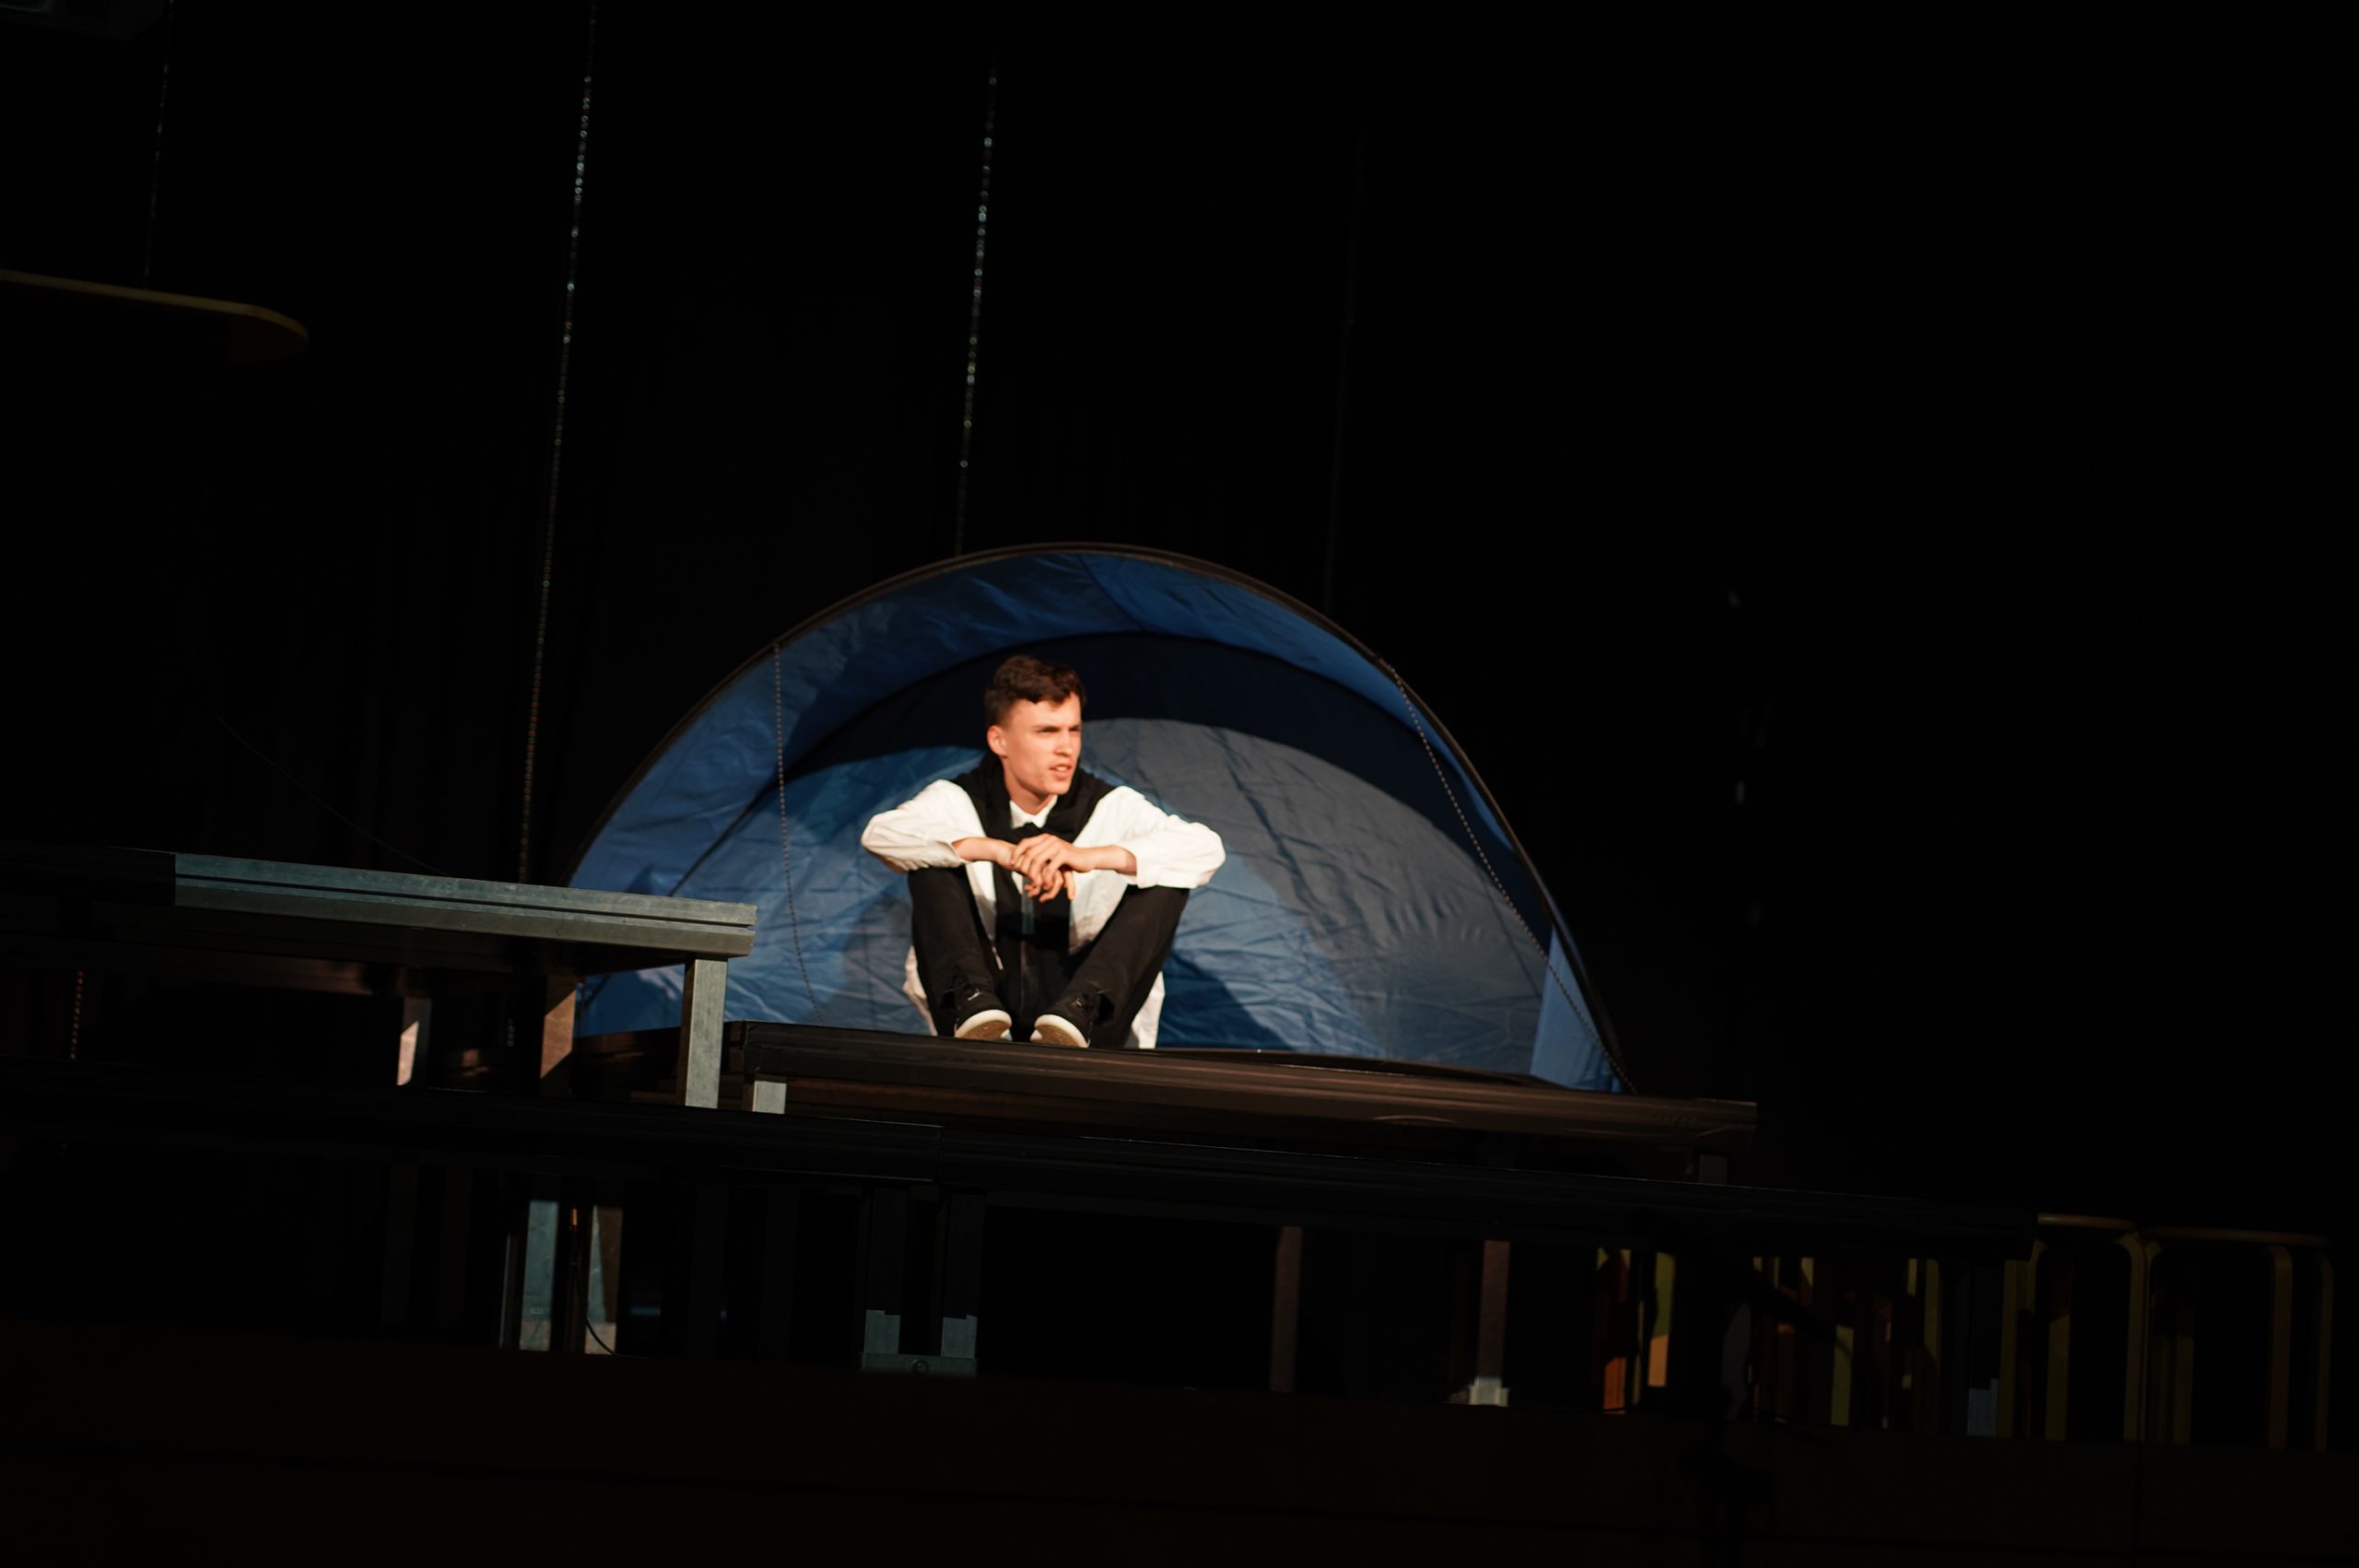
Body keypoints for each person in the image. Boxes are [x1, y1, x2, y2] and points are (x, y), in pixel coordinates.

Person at [860, 655, 1224, 1048]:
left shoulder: (1110, 805)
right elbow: (882, 834)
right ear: (999, 741)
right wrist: (996, 851)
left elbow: (1205, 849)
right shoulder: (959, 799)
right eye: (1047, 731)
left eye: (1074, 730)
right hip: (985, 1014)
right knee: (932, 858)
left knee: (1166, 874)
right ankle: (971, 1002)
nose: (1066, 748)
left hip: (1084, 1021)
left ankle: (1082, 1010)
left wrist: (1091, 856)